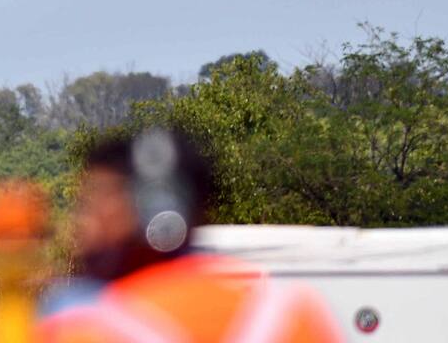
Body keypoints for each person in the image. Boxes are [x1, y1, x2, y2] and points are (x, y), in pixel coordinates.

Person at [35, 129, 342, 342]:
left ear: (154, 209)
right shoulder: (288, 314)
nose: (80, 224)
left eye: (92, 203)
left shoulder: (84, 326)